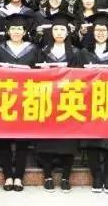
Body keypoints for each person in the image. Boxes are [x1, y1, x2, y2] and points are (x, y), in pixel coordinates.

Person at [35, 12, 81, 193]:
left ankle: (65, 177)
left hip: (68, 101)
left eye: (62, 29)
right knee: (47, 140)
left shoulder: (75, 52)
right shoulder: (43, 52)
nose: (59, 32)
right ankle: (47, 175)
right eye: (56, 29)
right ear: (51, 32)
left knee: (68, 141)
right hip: (47, 100)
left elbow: (81, 77)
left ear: (68, 32)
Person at [78, 14, 108, 193]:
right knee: (92, 141)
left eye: (104, 30)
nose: (100, 33)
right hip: (89, 101)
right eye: (97, 30)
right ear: (92, 32)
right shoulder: (83, 53)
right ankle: (96, 176)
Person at [0, 13, 38, 192]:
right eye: (13, 29)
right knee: (4, 139)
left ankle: (18, 176)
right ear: (8, 31)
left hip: (25, 98)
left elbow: (39, 73)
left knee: (22, 140)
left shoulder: (33, 49)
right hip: (4, 98)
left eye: (20, 29)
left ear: (25, 31)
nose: (17, 32)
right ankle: (7, 176)